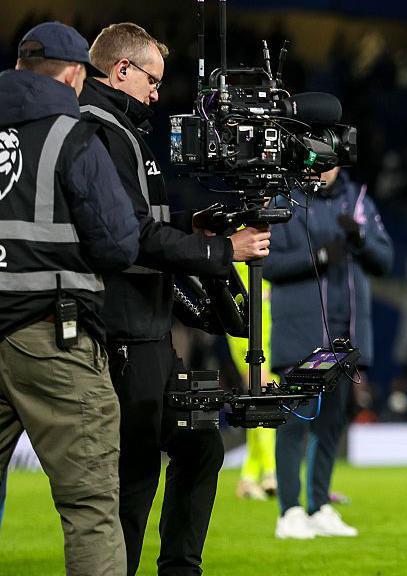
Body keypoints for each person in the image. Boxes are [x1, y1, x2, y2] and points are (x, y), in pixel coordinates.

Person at [80, 22, 271, 576]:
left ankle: (180, 569)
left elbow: (147, 224)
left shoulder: (123, 129)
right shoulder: (99, 132)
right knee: (135, 473)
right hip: (122, 328)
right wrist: (221, 252)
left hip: (148, 328)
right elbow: (131, 238)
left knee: (200, 447)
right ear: (122, 70)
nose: (158, 94)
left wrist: (196, 226)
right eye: (152, 81)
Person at [0, 21, 140, 575]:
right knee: (89, 508)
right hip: (50, 339)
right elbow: (118, 243)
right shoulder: (70, 132)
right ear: (76, 74)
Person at [264, 166, 392, 539]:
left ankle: (318, 506)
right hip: (301, 332)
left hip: (345, 332)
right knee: (294, 423)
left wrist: (361, 238)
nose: (322, 167)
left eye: (329, 159)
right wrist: (319, 256)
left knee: (331, 422)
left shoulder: (359, 200)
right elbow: (268, 263)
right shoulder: (284, 198)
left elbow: (384, 260)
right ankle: (289, 512)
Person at [226, 262, 278, 500]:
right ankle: (270, 472)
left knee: (263, 401)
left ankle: (248, 477)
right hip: (246, 323)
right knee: (264, 397)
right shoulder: (236, 230)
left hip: (269, 323)